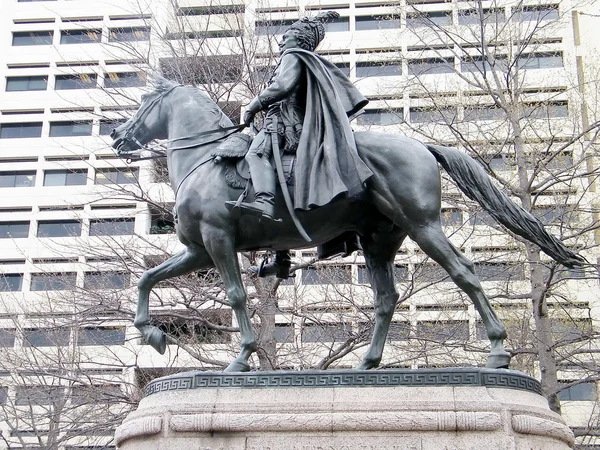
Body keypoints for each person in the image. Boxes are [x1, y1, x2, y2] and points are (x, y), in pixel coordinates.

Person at [226, 11, 372, 278]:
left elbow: (283, 86)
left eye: (287, 35)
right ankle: (280, 258)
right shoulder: (301, 59)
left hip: (283, 124)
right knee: (281, 174)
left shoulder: (293, 57)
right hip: (284, 123)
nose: (282, 40)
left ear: (299, 38)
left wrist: (253, 105)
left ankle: (264, 203)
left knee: (256, 156)